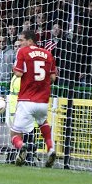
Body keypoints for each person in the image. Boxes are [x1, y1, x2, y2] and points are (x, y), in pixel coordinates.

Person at [11, 30, 57, 168]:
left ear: (30, 40)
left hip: (26, 100)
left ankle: (21, 146)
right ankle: (51, 148)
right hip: (43, 101)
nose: (19, 43)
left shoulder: (23, 52)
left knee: (14, 133)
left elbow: (18, 73)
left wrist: (14, 67)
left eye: (22, 40)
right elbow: (53, 78)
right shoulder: (48, 54)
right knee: (43, 122)